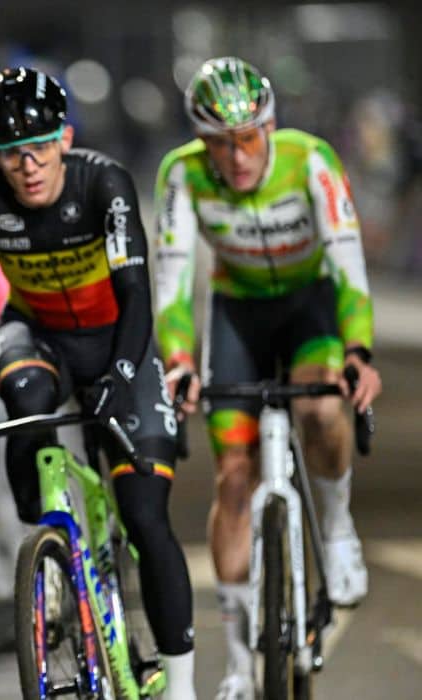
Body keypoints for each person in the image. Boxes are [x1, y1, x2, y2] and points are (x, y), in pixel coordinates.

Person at [0, 67, 197, 700]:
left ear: (64, 138)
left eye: (40, 146)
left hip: (118, 341)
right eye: (11, 153)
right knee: (26, 398)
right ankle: (49, 547)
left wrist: (123, 373)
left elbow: (136, 293)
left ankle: (182, 686)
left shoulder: (104, 182)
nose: (29, 165)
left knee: (145, 516)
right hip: (37, 334)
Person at [153, 56, 382, 700]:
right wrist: (179, 359)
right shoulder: (182, 173)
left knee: (322, 409)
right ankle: (236, 664)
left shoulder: (311, 160)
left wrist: (358, 350)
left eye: (249, 138)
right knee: (232, 477)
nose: (237, 157)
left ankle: (336, 528)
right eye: (220, 143)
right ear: (200, 140)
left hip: (311, 308)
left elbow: (347, 262)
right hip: (238, 316)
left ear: (271, 127)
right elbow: (173, 283)